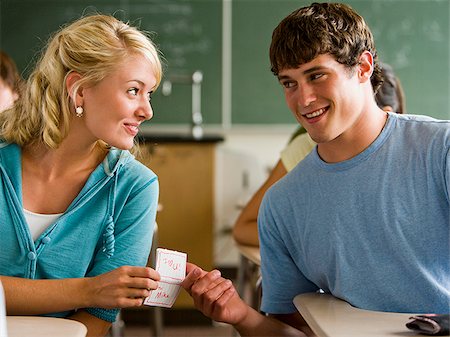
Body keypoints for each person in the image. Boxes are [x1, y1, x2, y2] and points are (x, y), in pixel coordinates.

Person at [181, 2, 450, 336]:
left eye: (316, 75)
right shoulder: (281, 205)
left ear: (364, 67)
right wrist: (240, 316)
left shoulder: (441, 150)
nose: (303, 99)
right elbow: (295, 332)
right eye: (289, 83)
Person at [0, 14, 163, 337]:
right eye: (133, 91)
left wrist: (96, 297)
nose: (147, 111)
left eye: (150, 94)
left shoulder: (136, 187)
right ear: (79, 90)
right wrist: (88, 289)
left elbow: (99, 315)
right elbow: (98, 295)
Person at [232, 62, 406, 247]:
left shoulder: (418, 156)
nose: (305, 100)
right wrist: (312, 247)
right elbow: (244, 227)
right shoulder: (307, 146)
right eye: (289, 83)